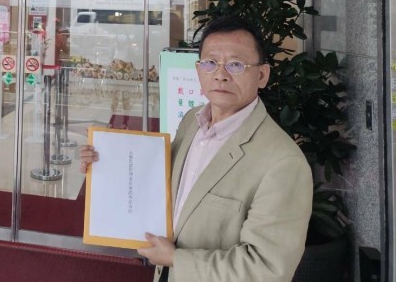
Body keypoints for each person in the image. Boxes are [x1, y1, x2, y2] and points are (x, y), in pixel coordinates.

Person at [80, 15, 312, 282]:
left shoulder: (284, 163)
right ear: (198, 69)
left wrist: (177, 259)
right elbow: (162, 184)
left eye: (236, 65)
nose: (221, 75)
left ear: (262, 75)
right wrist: (106, 165)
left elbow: (266, 270)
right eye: (210, 63)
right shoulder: (193, 121)